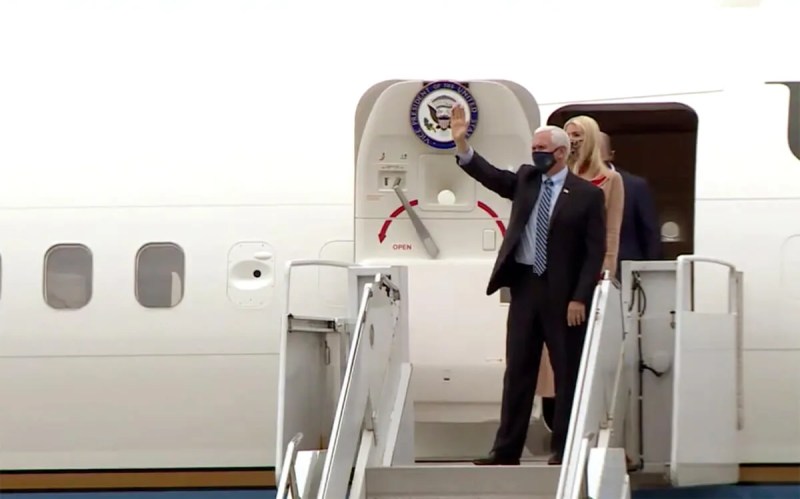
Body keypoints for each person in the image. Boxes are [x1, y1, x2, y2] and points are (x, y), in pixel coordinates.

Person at [448, 104, 606, 466]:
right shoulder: (525, 180)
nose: (535, 154)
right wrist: (462, 145)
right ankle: (506, 450)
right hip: (525, 287)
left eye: (542, 149)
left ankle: (565, 449)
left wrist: (581, 297)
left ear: (562, 153)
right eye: (533, 149)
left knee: (567, 372)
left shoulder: (587, 196)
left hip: (564, 294)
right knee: (518, 369)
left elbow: (594, 252)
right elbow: (490, 176)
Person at [599, 132, 662, 271]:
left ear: (611, 155)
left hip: (625, 270)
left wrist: (650, 273)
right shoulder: (570, 183)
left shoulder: (635, 185)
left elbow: (650, 233)